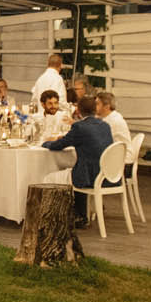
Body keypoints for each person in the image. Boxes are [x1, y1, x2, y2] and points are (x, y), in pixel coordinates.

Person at [43, 94, 114, 224]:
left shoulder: (79, 127)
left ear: (79, 111)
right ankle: (79, 215)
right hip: (107, 175)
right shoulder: (105, 126)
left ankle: (51, 217)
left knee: (48, 177)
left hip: (88, 177)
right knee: (78, 168)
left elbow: (58, 146)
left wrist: (44, 143)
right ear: (94, 109)